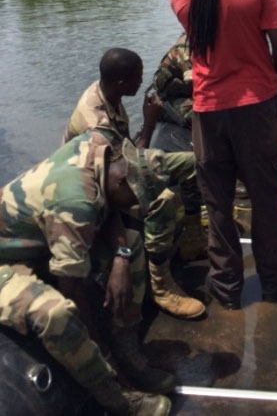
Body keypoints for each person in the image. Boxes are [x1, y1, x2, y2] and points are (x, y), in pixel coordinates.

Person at [0, 131, 174, 416]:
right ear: (120, 180)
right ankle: (116, 397)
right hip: (7, 260)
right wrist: (102, 353)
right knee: (55, 313)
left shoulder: (97, 146)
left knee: (131, 243)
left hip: (34, 242)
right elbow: (72, 288)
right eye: (133, 197)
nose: (132, 205)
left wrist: (120, 258)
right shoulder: (75, 207)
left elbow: (110, 208)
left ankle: (128, 349)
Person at [169, 0, 277, 309]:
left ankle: (226, 289)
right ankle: (273, 284)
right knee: (266, 198)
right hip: (256, 107)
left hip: (208, 111)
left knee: (218, 204)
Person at [64, 48, 206, 319]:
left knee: (192, 164)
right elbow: (122, 174)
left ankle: (192, 237)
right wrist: (150, 123)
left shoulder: (108, 93)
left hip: (114, 170)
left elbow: (126, 153)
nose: (142, 81)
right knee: (162, 200)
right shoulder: (96, 123)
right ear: (121, 82)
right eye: (138, 77)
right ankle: (161, 284)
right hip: (94, 192)